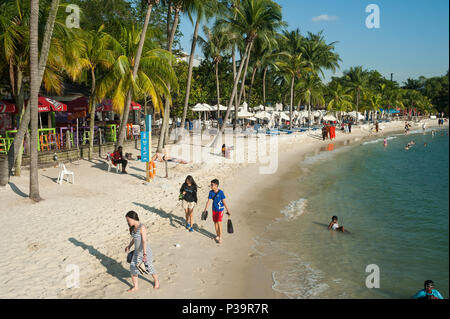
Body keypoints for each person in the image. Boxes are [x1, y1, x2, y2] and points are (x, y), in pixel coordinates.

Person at [124, 211, 159, 292]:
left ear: (133, 219)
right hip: (137, 252)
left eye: (128, 220)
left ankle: (156, 281)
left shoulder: (142, 227)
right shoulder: (133, 228)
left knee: (149, 267)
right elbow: (134, 238)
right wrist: (129, 246)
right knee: (133, 268)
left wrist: (144, 254)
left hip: (145, 251)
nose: (127, 222)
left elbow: (144, 241)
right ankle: (135, 287)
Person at [203, 179, 231, 244]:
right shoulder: (211, 192)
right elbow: (208, 201)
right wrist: (205, 209)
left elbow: (224, 202)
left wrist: (227, 209)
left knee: (219, 222)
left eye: (212, 185)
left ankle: (220, 237)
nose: (211, 186)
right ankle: (217, 235)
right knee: (215, 222)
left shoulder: (221, 192)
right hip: (214, 209)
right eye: (211, 184)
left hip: (220, 209)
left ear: (216, 185)